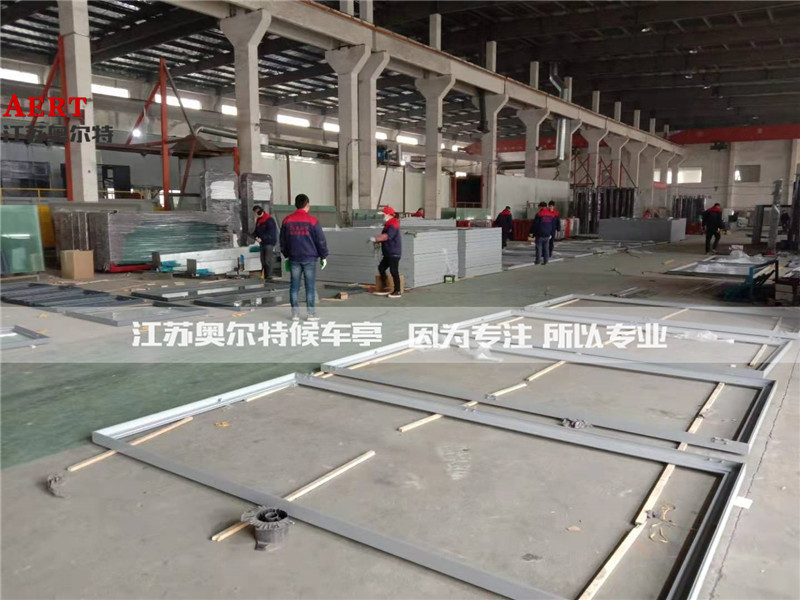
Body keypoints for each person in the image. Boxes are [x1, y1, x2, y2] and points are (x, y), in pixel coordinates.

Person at [279, 194, 329, 321]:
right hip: (309, 259)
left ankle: (295, 314)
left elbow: (283, 241)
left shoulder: (287, 221)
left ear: (295, 205)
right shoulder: (313, 221)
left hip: (294, 258)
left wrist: (286, 256)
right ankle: (311, 314)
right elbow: (320, 241)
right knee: (310, 287)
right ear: (307, 205)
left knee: (294, 286)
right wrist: (323, 256)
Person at [370, 206, 403, 298]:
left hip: (394, 252)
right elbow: (385, 236)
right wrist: (378, 240)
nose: (383, 216)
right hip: (388, 252)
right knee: (381, 268)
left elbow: (388, 236)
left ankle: (397, 291)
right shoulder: (388, 224)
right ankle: (385, 288)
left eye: (384, 215)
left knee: (394, 271)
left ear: (389, 215)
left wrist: (376, 238)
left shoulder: (393, 224)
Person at [251, 205, 277, 280]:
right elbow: (257, 230)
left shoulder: (269, 220)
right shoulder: (259, 220)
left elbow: (271, 233)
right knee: (262, 260)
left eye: (255, 213)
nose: (254, 215)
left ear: (258, 212)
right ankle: (264, 276)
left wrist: (262, 238)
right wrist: (253, 235)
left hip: (269, 242)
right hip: (262, 243)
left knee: (267, 260)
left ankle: (269, 276)